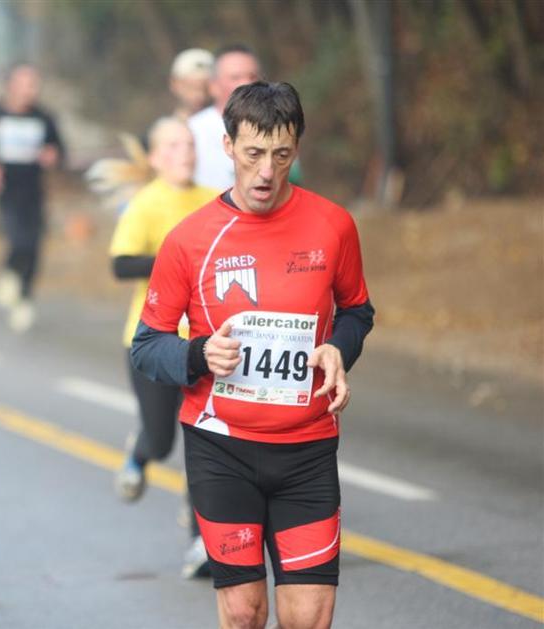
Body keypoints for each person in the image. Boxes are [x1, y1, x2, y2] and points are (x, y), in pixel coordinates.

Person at [131, 82, 375, 629]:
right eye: (253, 154)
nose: (266, 171)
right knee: (244, 613)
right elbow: (147, 346)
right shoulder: (190, 239)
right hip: (222, 450)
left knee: (307, 617)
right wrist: (199, 354)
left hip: (307, 450)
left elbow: (358, 311)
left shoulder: (333, 225)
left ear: (297, 150)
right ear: (228, 147)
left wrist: (339, 348)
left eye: (281, 155)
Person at [108, 117, 218, 578]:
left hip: (204, 344)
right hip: (152, 341)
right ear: (154, 158)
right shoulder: (146, 204)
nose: (184, 153)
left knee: (203, 442)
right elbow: (120, 265)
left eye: (189, 144)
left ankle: (200, 542)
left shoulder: (215, 200)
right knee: (162, 439)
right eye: (172, 146)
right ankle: (141, 451)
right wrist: (175, 260)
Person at [0, 64, 64, 332]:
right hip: (6, 188)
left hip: (33, 188)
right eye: (26, 84)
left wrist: (53, 155)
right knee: (17, 238)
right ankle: (9, 273)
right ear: (11, 86)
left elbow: (59, 149)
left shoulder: (43, 118)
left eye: (34, 85)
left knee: (34, 244)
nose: (31, 91)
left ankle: (24, 296)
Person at [188, 45, 260, 191]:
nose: (247, 84)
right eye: (235, 77)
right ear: (213, 86)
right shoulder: (193, 131)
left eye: (252, 77)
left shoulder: (278, 126)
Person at [170, 48, 214, 121]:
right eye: (192, 88)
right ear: (175, 84)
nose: (200, 96)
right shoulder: (168, 126)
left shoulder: (225, 124)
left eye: (205, 89)